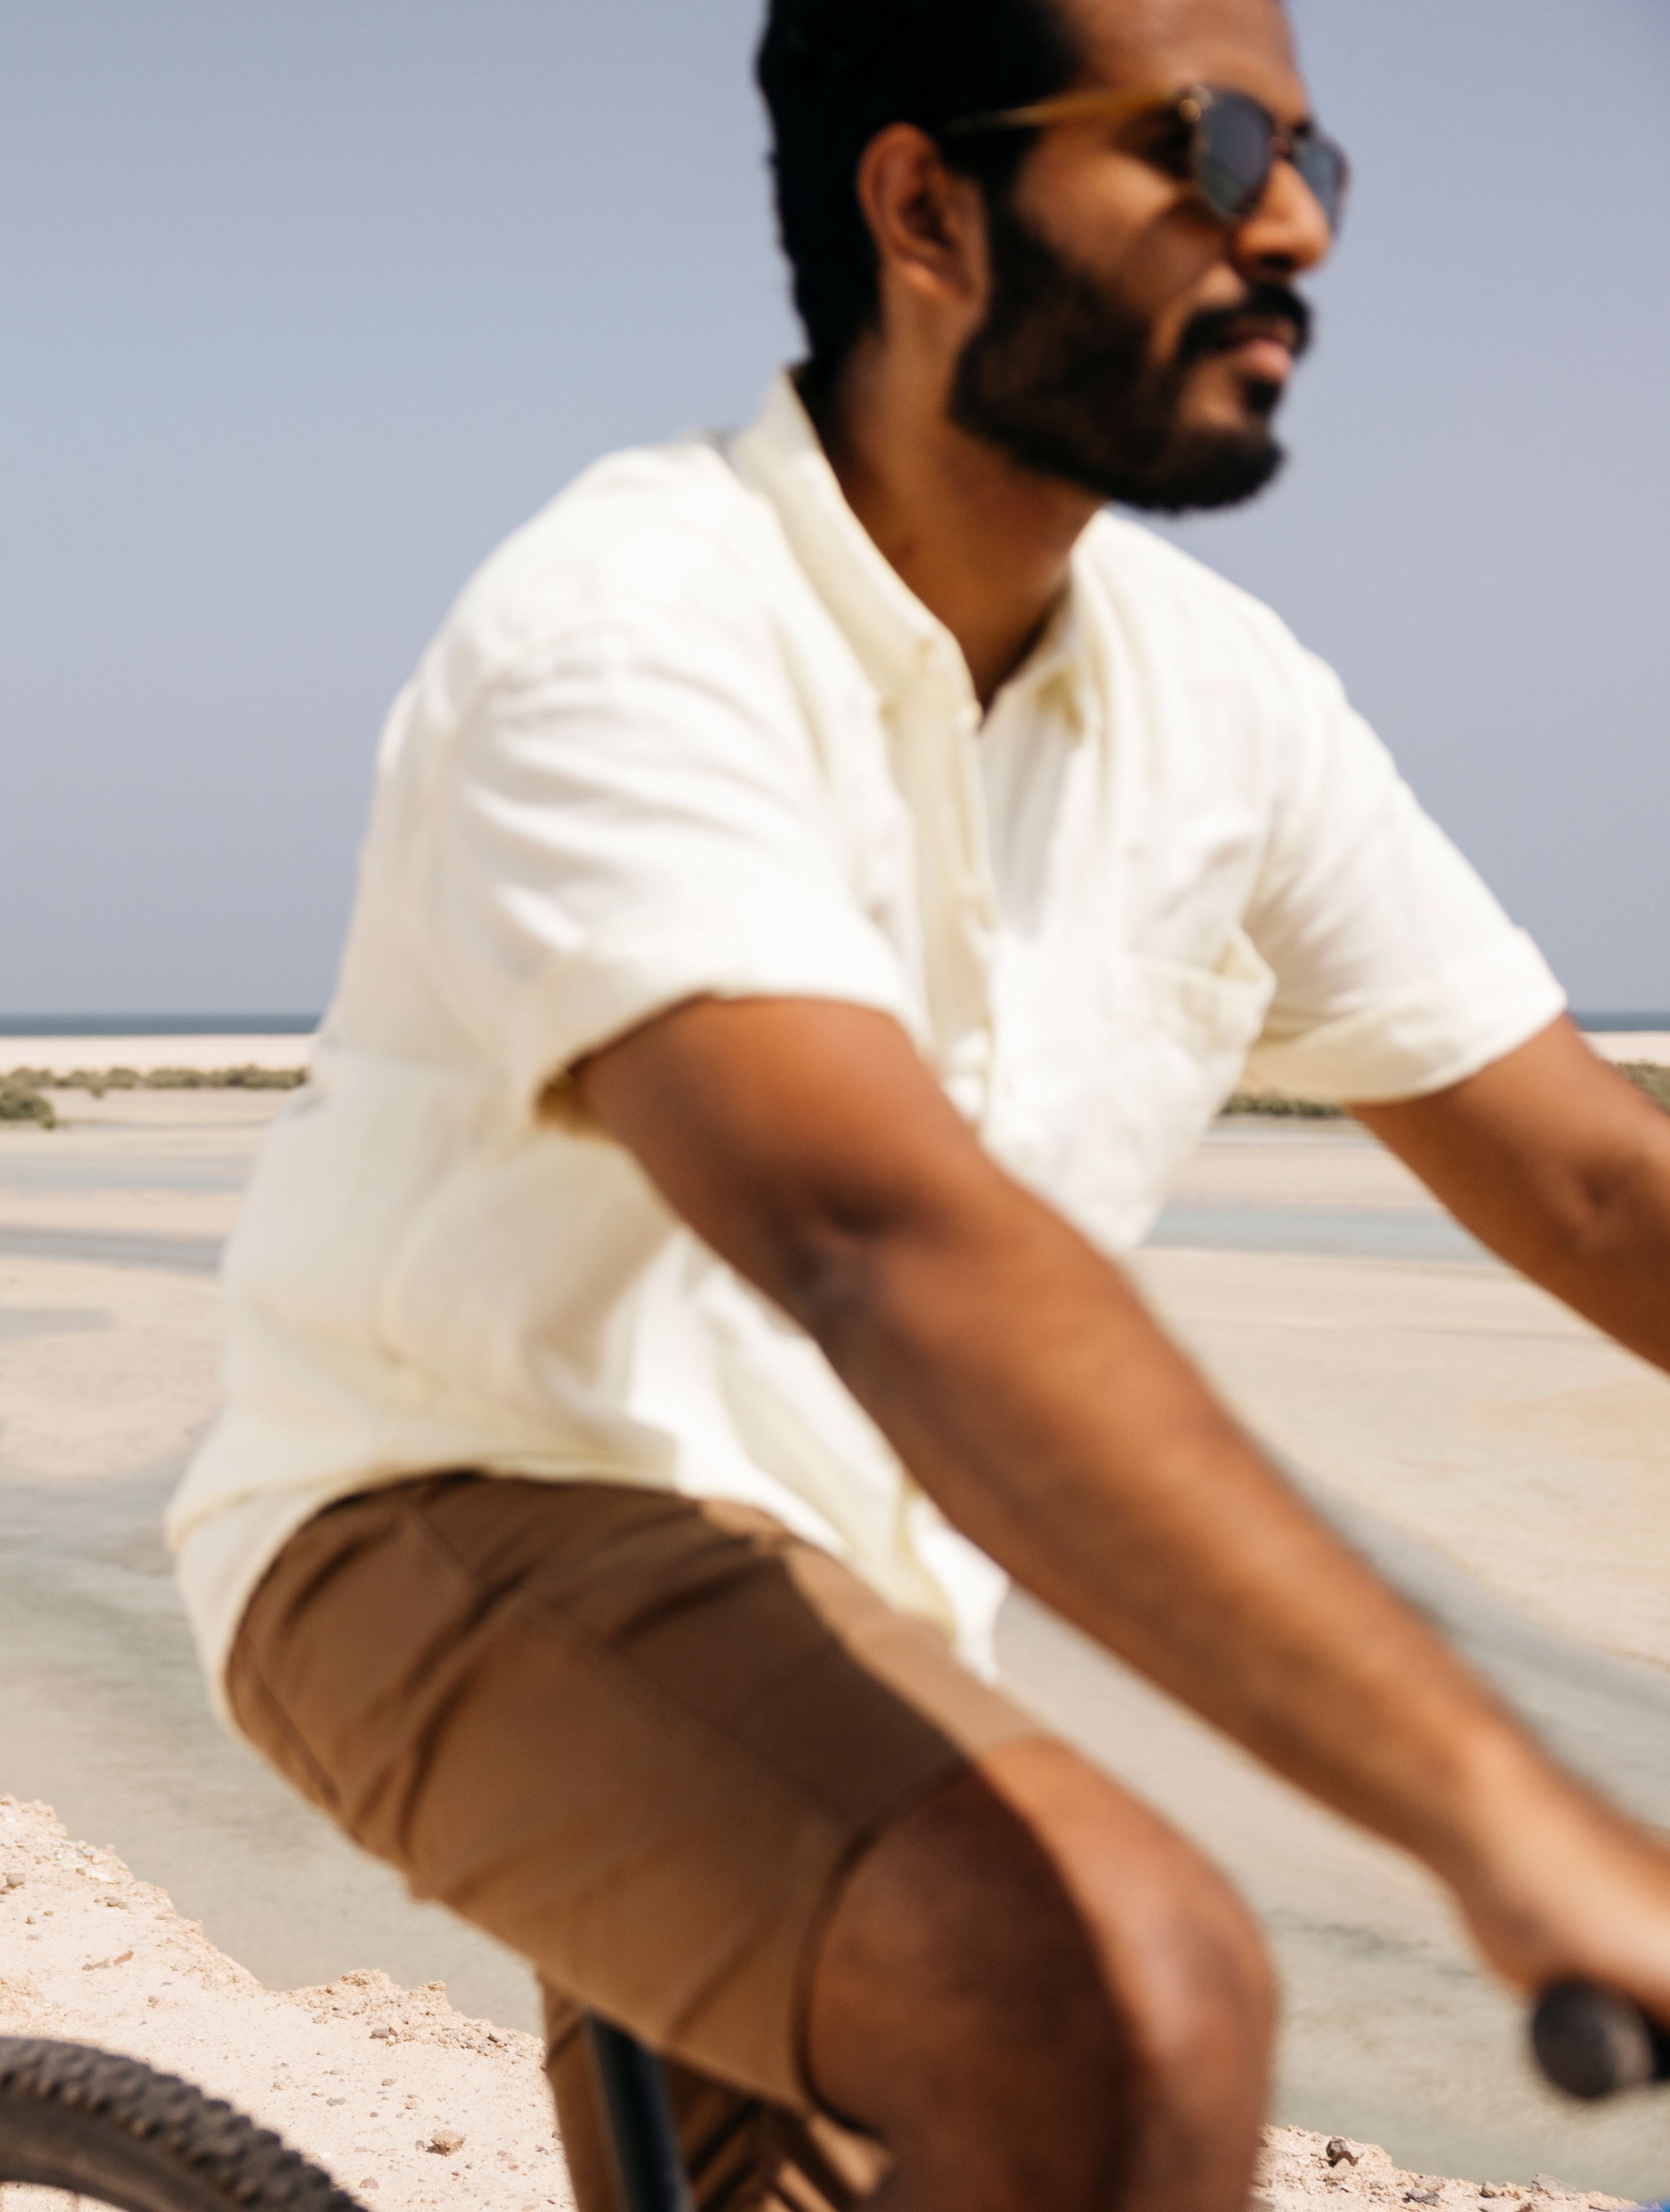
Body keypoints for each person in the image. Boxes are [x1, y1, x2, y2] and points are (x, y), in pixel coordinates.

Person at [168, 3, 1670, 2206]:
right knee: (1123, 1980)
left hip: (858, 1610)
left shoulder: (1221, 701)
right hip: (441, 1506)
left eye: (1319, 167)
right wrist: (1512, 1817)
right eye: (1217, 144)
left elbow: (1597, 1179)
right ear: (927, 206)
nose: (1293, 231)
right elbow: (883, 1244)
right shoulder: (628, 622)